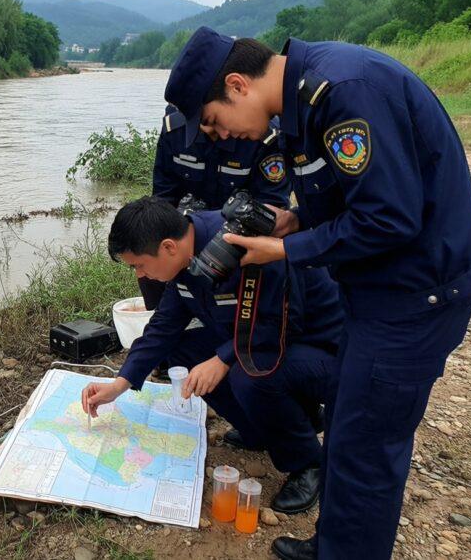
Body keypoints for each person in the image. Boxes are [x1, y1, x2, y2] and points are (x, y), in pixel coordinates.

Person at [162, 27, 471, 560]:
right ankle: (335, 544)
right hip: (376, 290)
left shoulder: (342, 92)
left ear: (238, 85)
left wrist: (285, 250)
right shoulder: (303, 104)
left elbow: (389, 217)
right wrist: (294, 221)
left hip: (414, 296)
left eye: (216, 121)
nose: (221, 136)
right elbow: (351, 199)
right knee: (346, 423)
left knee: (366, 445)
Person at [82, 196, 343, 515]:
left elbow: (285, 321)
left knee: (247, 375)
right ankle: (265, 428)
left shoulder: (243, 242)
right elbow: (164, 326)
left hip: (321, 348)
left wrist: (222, 359)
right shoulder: (184, 257)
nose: (140, 275)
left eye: (139, 265)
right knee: (182, 350)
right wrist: (120, 384)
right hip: (261, 339)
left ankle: (308, 463)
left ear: (167, 247)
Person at [138, 104, 291, 310]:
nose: (215, 130)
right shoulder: (175, 129)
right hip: (192, 228)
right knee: (148, 253)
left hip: (243, 233)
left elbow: (273, 207)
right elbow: (163, 199)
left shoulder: (261, 132)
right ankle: (163, 314)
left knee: (233, 289)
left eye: (214, 119)